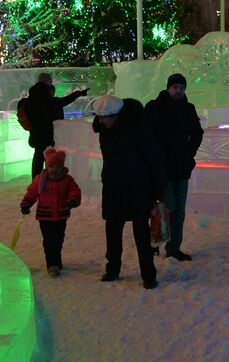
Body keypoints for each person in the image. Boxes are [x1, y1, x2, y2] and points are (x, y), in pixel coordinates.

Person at [89, 94, 167, 288]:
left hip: (138, 187)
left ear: (116, 115)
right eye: (98, 117)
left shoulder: (138, 129)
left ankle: (148, 274)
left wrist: (158, 189)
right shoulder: (105, 130)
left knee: (141, 231)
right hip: (114, 187)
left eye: (103, 117)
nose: (100, 121)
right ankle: (112, 269)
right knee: (113, 229)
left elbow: (154, 158)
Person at [144, 73, 204, 261]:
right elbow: (146, 134)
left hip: (181, 166)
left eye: (181, 88)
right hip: (161, 166)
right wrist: (155, 156)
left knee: (178, 209)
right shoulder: (154, 107)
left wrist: (188, 153)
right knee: (164, 205)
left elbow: (197, 133)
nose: (178, 90)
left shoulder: (188, 108)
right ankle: (153, 241)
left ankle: (173, 246)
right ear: (168, 88)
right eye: (175, 87)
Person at [19, 147, 82, 276]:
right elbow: (32, 192)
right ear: (47, 167)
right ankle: (52, 265)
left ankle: (57, 261)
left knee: (58, 239)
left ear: (62, 166)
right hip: (45, 216)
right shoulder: (40, 179)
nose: (54, 169)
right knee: (48, 240)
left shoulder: (67, 180)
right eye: (51, 166)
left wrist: (73, 201)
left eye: (57, 166)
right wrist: (26, 203)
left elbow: (74, 191)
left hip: (61, 215)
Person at [23, 73, 87, 179]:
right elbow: (63, 101)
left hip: (36, 134)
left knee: (38, 157)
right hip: (48, 134)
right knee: (48, 158)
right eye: (50, 81)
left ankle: (36, 181)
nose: (51, 83)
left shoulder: (32, 98)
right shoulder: (47, 100)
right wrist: (78, 94)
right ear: (47, 82)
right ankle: (47, 180)